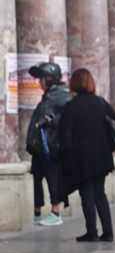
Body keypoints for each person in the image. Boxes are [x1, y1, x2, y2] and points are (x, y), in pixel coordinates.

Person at [58, 69, 115, 242]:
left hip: (81, 158)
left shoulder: (71, 106)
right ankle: (108, 232)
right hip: (102, 156)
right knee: (100, 192)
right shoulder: (100, 102)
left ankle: (92, 231)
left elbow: (64, 136)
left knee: (86, 193)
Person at [26, 62, 70, 226]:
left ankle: (55, 212)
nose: (39, 82)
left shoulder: (61, 95)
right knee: (37, 177)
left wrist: (53, 122)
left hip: (50, 147)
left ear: (50, 78)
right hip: (39, 146)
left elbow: (67, 119)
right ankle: (37, 211)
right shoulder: (49, 94)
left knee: (53, 179)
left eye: (42, 78)